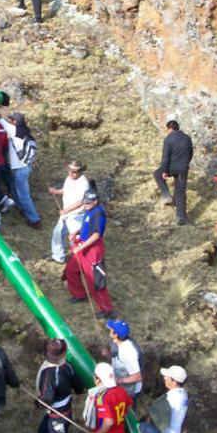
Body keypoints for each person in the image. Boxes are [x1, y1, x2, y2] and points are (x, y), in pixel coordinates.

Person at [37, 337, 85, 433]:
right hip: (64, 408)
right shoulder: (68, 367)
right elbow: (79, 387)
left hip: (58, 416)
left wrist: (38, 402)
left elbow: (47, 398)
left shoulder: (50, 374)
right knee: (43, 431)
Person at [65, 189, 114, 318]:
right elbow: (87, 225)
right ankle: (79, 294)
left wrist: (80, 248)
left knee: (95, 280)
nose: (85, 205)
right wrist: (76, 232)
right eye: (84, 202)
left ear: (95, 201)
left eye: (88, 203)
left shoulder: (98, 214)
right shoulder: (89, 210)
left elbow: (96, 234)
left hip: (93, 250)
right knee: (71, 270)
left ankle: (106, 309)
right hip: (82, 246)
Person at [0, 110, 40, 227]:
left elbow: (0, 120)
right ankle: (22, 210)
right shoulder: (25, 132)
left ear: (15, 122)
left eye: (10, 119)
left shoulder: (14, 130)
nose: (9, 121)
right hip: (25, 167)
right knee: (15, 189)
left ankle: (34, 219)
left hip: (20, 169)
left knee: (24, 196)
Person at [48, 159, 89, 263]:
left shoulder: (83, 183)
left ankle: (81, 260)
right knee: (57, 233)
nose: (71, 174)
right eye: (70, 171)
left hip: (77, 216)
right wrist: (56, 191)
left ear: (80, 172)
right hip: (67, 215)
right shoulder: (69, 178)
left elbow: (82, 201)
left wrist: (66, 210)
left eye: (74, 172)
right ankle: (58, 257)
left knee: (75, 240)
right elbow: (66, 191)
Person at [156, 120, 193, 224]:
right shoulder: (187, 138)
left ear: (170, 129)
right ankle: (181, 217)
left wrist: (164, 170)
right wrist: (185, 163)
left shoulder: (168, 139)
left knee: (157, 174)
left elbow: (165, 157)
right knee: (180, 192)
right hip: (183, 168)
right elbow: (190, 153)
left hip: (171, 168)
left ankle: (166, 195)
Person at [106, 319, 142, 399]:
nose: (109, 330)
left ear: (115, 334)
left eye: (111, 329)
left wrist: (118, 381)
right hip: (122, 388)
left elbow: (137, 376)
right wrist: (108, 355)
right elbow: (118, 361)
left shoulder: (127, 352)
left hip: (129, 392)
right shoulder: (119, 343)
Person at [159, 365, 188, 433]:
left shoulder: (171, 399)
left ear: (174, 382)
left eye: (167, 377)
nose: (164, 378)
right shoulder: (183, 394)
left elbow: (160, 420)